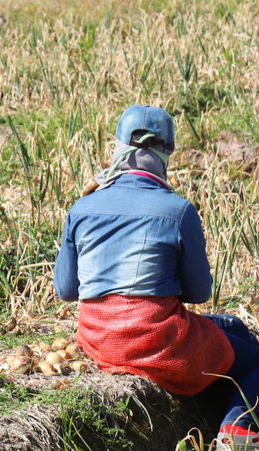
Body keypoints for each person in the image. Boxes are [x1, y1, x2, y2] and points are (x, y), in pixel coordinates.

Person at [53, 105, 259, 449]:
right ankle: (237, 431)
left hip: (98, 338)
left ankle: (214, 414)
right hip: (158, 341)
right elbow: (198, 292)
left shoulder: (81, 207)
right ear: (168, 152)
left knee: (234, 327)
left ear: (118, 146)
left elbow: (66, 289)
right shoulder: (178, 210)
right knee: (256, 360)